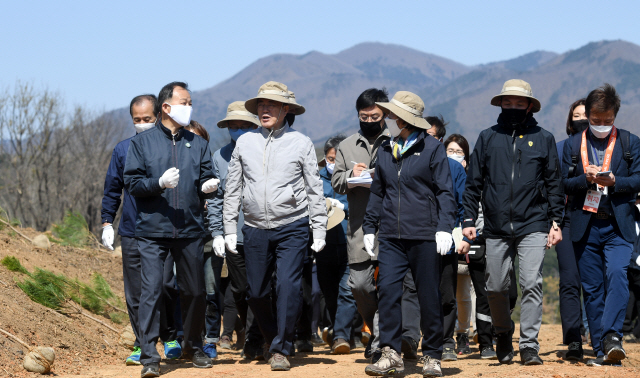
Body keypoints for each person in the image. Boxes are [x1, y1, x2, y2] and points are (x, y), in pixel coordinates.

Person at [223, 81, 327, 371]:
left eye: (271, 104)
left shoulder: (301, 142)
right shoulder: (245, 142)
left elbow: (314, 189)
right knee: (254, 292)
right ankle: (272, 337)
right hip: (254, 227)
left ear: (286, 109)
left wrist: (318, 229)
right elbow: (232, 188)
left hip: (292, 225)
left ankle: (281, 347)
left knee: (288, 286)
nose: (264, 109)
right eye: (261, 104)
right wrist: (229, 228)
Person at [462, 79, 564, 366]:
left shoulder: (544, 138)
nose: (513, 107)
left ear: (530, 106)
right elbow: (474, 183)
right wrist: (469, 218)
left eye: (519, 103)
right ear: (501, 104)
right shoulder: (487, 137)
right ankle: (504, 332)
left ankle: (529, 345)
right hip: (495, 226)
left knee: (532, 282)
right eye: (508, 103)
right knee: (495, 286)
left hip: (533, 222)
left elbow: (554, 183)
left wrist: (557, 221)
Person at [124, 82, 220, 377]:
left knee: (194, 291)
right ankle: (150, 355)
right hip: (153, 230)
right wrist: (158, 184)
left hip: (190, 229)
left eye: (190, 102)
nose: (189, 107)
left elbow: (208, 177)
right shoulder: (142, 144)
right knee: (151, 291)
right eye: (184, 101)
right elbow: (133, 183)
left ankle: (194, 345)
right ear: (166, 107)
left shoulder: (199, 143)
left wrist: (209, 186)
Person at [363, 91, 456, 377]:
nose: (388, 119)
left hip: (425, 234)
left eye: (392, 115)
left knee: (428, 294)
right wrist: (369, 227)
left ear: (405, 119)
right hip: (391, 235)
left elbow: (445, 191)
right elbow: (378, 192)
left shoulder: (431, 148)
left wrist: (444, 227)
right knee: (388, 290)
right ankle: (390, 353)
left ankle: (432, 355)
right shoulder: (385, 150)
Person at [332, 88, 422, 362]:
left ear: (386, 116)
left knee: (390, 286)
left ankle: (384, 340)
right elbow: (336, 182)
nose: (369, 121)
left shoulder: (395, 143)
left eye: (375, 116)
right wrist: (351, 174)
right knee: (359, 286)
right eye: (364, 116)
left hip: (393, 227)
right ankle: (375, 327)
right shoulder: (346, 146)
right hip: (359, 229)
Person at [100, 94, 182, 366]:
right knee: (135, 292)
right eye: (137, 120)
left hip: (163, 228)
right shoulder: (122, 150)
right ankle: (142, 342)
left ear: (158, 115)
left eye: (147, 119)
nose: (142, 124)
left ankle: (170, 335)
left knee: (164, 285)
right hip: (133, 230)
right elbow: (112, 189)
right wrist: (107, 222)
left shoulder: (169, 147)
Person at [562, 83, 640, 366]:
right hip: (584, 224)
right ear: (588, 116)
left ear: (615, 116)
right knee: (593, 289)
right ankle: (601, 350)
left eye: (608, 120)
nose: (602, 125)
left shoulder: (630, 142)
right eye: (596, 120)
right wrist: (585, 178)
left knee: (618, 273)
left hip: (618, 224)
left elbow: (639, 179)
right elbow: (560, 183)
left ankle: (612, 337)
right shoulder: (571, 146)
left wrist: (615, 181)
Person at [208, 100, 264, 360]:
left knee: (261, 288)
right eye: (234, 126)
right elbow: (216, 198)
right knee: (240, 289)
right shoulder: (219, 157)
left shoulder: (265, 150)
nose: (238, 131)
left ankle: (257, 339)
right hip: (234, 235)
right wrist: (217, 232)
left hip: (262, 230)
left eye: (244, 126)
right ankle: (250, 330)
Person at [425, 116, 465, 362]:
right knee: (415, 290)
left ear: (440, 140)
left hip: (446, 237)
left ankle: (446, 341)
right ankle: (414, 337)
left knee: (446, 292)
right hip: (416, 235)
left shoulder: (454, 168)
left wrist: (458, 233)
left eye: (430, 136)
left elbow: (460, 204)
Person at [316, 134, 358, 354]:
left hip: (349, 241)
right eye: (331, 159)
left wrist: (343, 208)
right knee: (329, 292)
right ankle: (340, 332)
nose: (334, 163)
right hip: (323, 245)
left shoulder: (354, 178)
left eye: (338, 159)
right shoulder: (315, 178)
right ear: (326, 158)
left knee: (347, 290)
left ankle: (341, 336)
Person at [555, 99, 589, 361]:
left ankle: (601, 336)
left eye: (586, 115)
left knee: (596, 282)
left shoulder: (606, 148)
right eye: (576, 115)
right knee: (569, 281)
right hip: (566, 220)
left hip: (597, 219)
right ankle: (574, 340)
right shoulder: (559, 148)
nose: (581, 119)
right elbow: (552, 188)